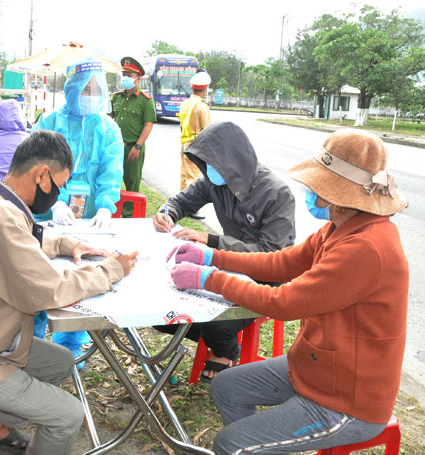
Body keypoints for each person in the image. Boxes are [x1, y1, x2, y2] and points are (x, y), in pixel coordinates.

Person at [170, 129, 408, 454]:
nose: (309, 189)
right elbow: (281, 262)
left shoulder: (366, 247)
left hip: (348, 400)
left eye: (317, 184)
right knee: (227, 386)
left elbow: (284, 302)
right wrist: (212, 255)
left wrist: (208, 277)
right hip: (315, 367)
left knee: (230, 443)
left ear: (337, 194)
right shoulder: (337, 229)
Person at [0, 130, 138, 455]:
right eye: (60, 185)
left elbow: (23, 238)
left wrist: (69, 243)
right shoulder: (1, 215)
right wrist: (112, 270)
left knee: (60, 362)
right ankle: (9, 427)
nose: (59, 193)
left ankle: (0, 427)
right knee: (67, 415)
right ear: (41, 175)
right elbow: (51, 290)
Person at [153, 121, 295, 382]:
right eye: (204, 164)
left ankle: (227, 350)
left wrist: (212, 241)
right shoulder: (213, 181)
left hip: (266, 276)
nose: (208, 171)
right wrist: (167, 213)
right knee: (162, 314)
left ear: (233, 162)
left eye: (212, 164)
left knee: (218, 323)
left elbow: (271, 254)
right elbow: (182, 201)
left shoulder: (277, 193)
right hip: (226, 264)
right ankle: (215, 339)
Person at [32, 58, 124, 367]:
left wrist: (107, 207)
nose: (91, 95)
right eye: (86, 89)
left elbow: (111, 171)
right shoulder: (49, 122)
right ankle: (33, 337)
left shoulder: (108, 128)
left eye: (97, 89)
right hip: (52, 214)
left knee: (83, 270)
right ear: (72, 89)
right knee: (45, 272)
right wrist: (51, 201)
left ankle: (71, 340)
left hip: (91, 217)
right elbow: (35, 167)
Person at [111, 56, 156, 217]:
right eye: (124, 74)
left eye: (129, 75)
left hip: (133, 148)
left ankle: (129, 215)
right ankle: (112, 211)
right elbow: (108, 119)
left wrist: (137, 146)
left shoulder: (145, 100)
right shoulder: (116, 97)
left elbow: (148, 125)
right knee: (112, 181)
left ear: (138, 78)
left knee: (132, 184)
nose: (125, 78)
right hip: (115, 148)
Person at [178, 70, 211, 190]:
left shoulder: (185, 104)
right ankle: (191, 207)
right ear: (205, 89)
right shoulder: (202, 106)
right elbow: (208, 131)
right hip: (195, 146)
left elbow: (181, 125)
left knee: (183, 177)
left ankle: (181, 205)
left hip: (184, 144)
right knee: (194, 179)